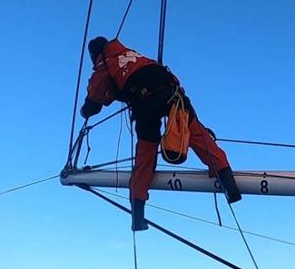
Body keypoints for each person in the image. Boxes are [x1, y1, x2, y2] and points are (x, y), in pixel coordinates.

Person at [80, 36, 241, 231]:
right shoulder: (133, 55)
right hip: (172, 92)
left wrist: (85, 111)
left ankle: (137, 218)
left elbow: (93, 104)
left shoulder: (104, 64)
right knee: (199, 137)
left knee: (145, 158)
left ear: (94, 54)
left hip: (144, 102)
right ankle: (230, 188)